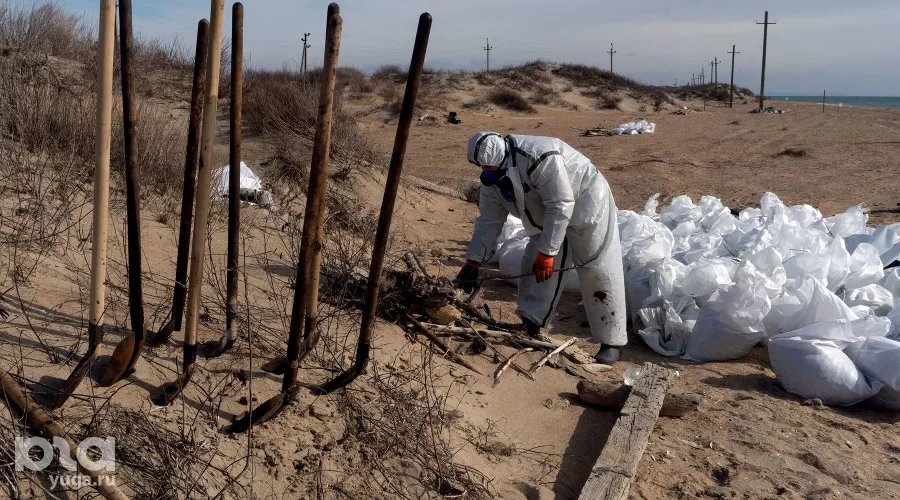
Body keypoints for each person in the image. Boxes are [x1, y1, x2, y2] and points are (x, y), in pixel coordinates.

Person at [454, 132, 627, 364]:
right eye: (481, 168)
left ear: (503, 161)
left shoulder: (540, 156)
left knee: (597, 266)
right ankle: (531, 324)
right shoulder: (492, 181)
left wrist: (548, 252)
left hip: (586, 200)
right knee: (535, 264)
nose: (485, 173)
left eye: (489, 169)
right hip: (546, 211)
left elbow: (561, 204)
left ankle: (611, 341)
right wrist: (473, 261)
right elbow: (488, 223)